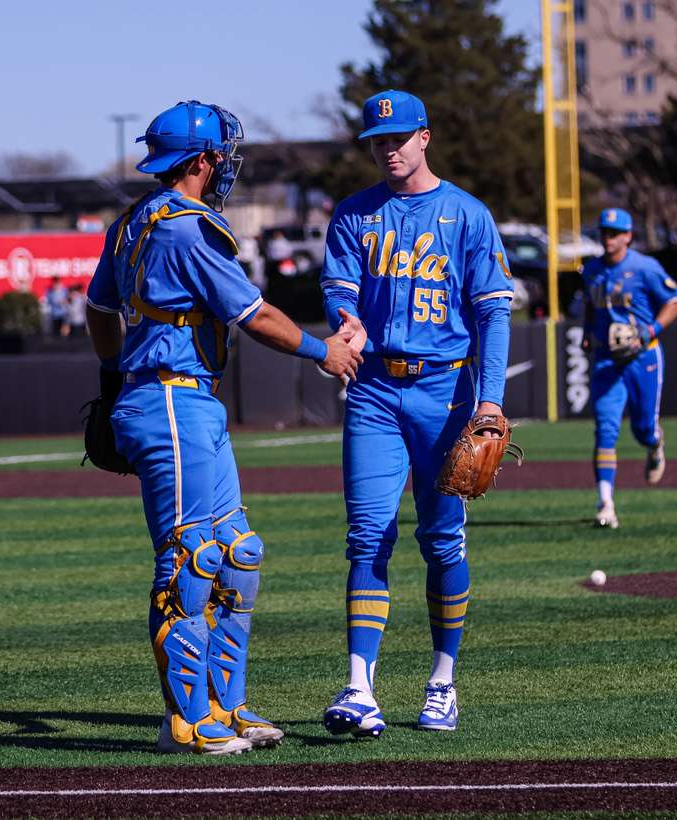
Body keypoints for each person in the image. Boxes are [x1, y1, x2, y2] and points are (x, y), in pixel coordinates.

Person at [85, 100, 361, 756]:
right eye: (221, 156)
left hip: (185, 401)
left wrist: (110, 375)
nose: (226, 166)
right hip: (171, 402)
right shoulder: (185, 230)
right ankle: (184, 721)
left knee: (237, 554)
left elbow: (99, 307)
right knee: (190, 559)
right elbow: (256, 316)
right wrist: (327, 352)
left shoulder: (132, 222)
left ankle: (226, 707)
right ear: (201, 161)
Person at [318, 89, 514, 736]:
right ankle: (358, 687)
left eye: (400, 136)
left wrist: (489, 401)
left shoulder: (468, 215)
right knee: (367, 536)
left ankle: (442, 682)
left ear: (425, 137)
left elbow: (493, 311)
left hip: (446, 393)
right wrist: (346, 323)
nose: (389, 148)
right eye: (379, 139)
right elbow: (341, 291)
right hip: (374, 391)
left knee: (441, 541)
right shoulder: (353, 215)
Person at [581, 208, 677, 529]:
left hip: (642, 357)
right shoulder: (592, 270)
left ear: (628, 236)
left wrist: (650, 331)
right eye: (604, 232)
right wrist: (588, 331)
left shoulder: (645, 267)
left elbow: (675, 301)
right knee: (606, 429)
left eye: (614, 233)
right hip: (608, 359)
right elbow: (589, 304)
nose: (608, 238)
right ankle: (605, 503)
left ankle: (655, 443)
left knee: (643, 429)